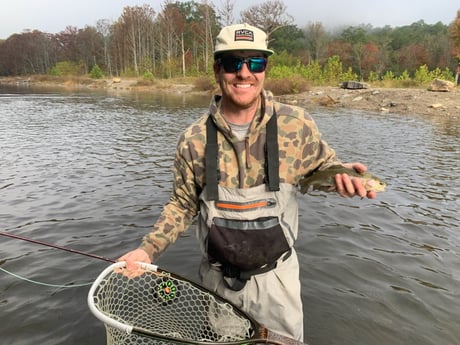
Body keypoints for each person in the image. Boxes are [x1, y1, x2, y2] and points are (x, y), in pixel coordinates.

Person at [119, 23, 376, 342]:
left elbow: (318, 173)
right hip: (217, 286)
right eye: (232, 62)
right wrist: (147, 250)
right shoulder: (193, 140)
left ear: (265, 68)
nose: (244, 73)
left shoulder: (296, 125)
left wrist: (343, 176)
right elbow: (182, 206)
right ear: (217, 69)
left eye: (255, 62)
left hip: (277, 286)